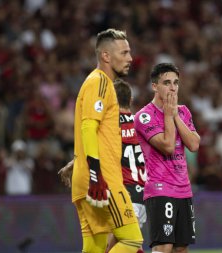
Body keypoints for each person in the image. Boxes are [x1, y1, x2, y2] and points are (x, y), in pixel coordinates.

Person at [71, 28, 142, 253]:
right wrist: (95, 175)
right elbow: (88, 127)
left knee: (94, 248)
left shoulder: (96, 83)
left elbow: (93, 133)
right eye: (124, 52)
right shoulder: (100, 82)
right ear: (106, 56)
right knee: (132, 240)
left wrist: (80, 164)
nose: (130, 58)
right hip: (104, 180)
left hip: (88, 177)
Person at [59, 79, 147, 253]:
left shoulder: (111, 124)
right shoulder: (141, 125)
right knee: (129, 244)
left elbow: (98, 149)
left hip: (121, 192)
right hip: (142, 196)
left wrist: (73, 164)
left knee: (118, 244)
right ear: (130, 101)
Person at [134, 63, 200, 253]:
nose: (172, 88)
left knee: (181, 249)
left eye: (176, 83)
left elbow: (194, 145)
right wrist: (169, 116)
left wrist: (175, 116)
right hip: (160, 189)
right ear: (154, 86)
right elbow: (168, 146)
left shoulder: (183, 111)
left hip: (184, 189)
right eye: (167, 83)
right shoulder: (144, 116)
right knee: (163, 247)